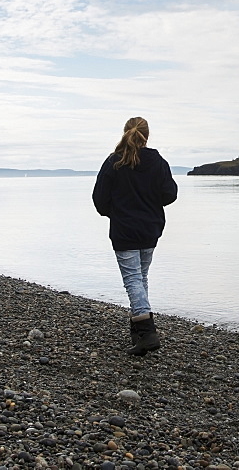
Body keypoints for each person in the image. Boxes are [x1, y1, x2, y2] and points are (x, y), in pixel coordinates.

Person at [92, 117, 178, 355]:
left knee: (133, 279)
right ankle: (138, 329)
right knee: (140, 278)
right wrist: (149, 204)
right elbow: (169, 194)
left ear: (125, 132)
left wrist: (117, 213)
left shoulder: (114, 162)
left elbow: (100, 200)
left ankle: (147, 331)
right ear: (147, 136)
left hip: (124, 229)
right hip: (150, 228)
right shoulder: (158, 162)